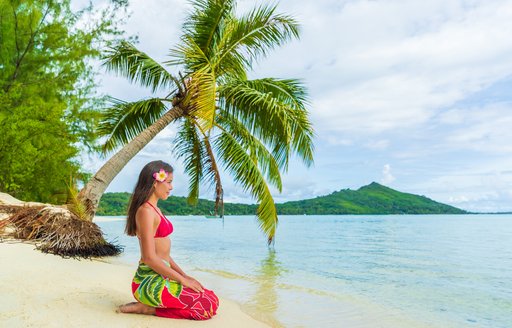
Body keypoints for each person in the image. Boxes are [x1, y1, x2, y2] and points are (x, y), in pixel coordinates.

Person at [118, 160, 219, 320]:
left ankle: (150, 306)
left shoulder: (155, 209)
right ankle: (146, 309)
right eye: (169, 182)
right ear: (155, 182)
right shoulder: (145, 211)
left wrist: (186, 277)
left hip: (162, 275)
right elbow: (149, 258)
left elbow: (165, 256)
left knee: (211, 298)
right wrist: (182, 280)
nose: (171, 187)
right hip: (148, 281)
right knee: (205, 307)